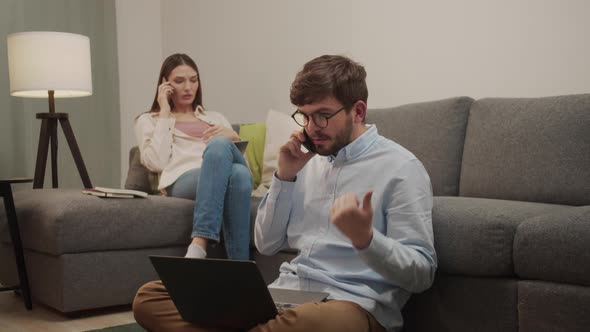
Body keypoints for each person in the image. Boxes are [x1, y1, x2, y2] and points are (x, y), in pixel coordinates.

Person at [133, 55, 436, 332]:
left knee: (312, 322)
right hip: (284, 298)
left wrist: (367, 240)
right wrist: (284, 177)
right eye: (305, 115)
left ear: (358, 111)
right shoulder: (306, 161)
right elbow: (266, 244)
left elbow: (421, 275)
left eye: (323, 115)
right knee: (150, 297)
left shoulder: (402, 168)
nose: (312, 127)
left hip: (348, 305)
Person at [135, 53, 252, 260]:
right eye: (179, 81)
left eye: (193, 80)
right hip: (183, 179)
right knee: (232, 166)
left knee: (239, 173)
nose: (188, 87)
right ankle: (231, 259)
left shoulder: (215, 117)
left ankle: (200, 245)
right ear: (165, 85)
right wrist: (164, 111)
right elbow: (156, 162)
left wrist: (233, 136)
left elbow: (246, 168)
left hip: (225, 171)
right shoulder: (149, 120)